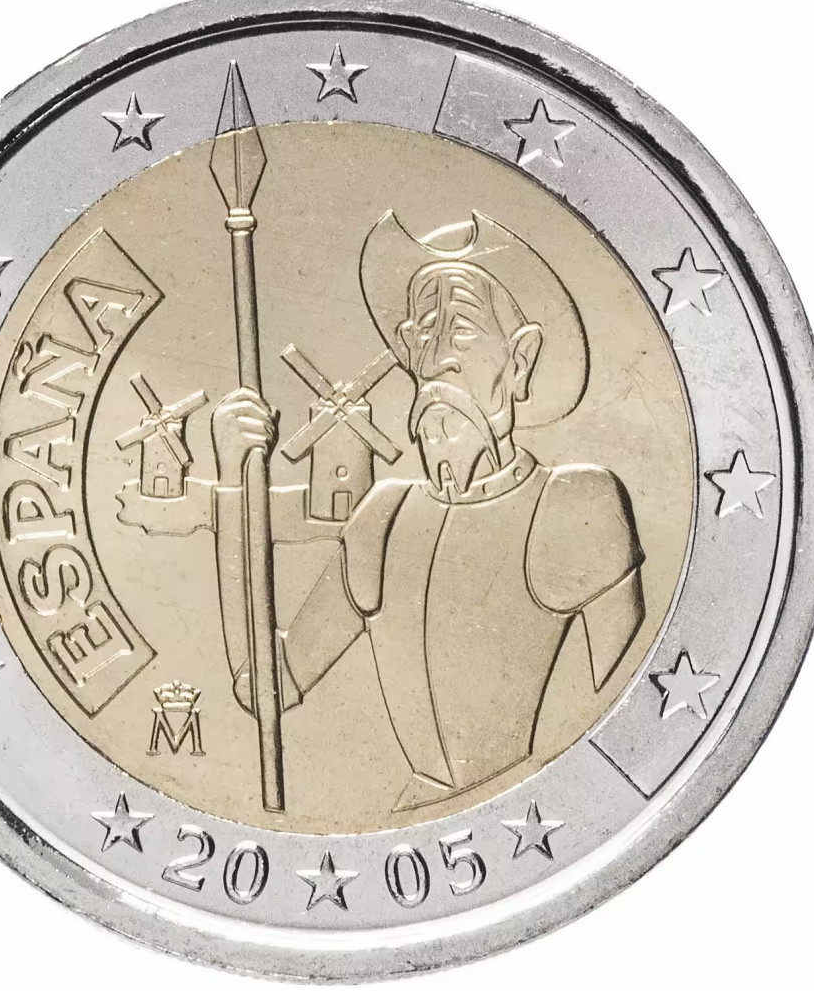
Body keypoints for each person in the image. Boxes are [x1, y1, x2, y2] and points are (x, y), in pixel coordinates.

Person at [212, 211, 645, 810]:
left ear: (519, 360)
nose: (437, 356)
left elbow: (627, 719)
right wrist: (235, 483)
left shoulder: (575, 505)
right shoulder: (385, 516)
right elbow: (267, 688)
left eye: (462, 331)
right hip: (412, 820)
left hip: (538, 811)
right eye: (423, 332)